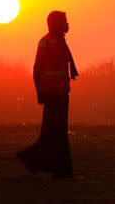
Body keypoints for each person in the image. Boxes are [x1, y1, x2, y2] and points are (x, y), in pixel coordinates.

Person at [16, 10, 78, 178]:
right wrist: (39, 93)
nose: (67, 24)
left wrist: (72, 66)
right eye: (64, 21)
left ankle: (60, 170)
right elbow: (36, 69)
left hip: (63, 92)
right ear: (54, 23)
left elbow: (67, 54)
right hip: (51, 94)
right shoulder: (45, 42)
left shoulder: (60, 40)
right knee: (55, 132)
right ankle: (59, 169)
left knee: (57, 131)